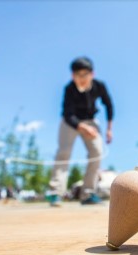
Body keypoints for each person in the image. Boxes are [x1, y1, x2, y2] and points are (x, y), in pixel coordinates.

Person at [49, 57, 114, 206]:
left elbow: (109, 105)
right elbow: (67, 114)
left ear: (92, 74)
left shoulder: (99, 86)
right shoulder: (69, 89)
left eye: (85, 74)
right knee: (63, 152)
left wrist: (109, 129)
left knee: (97, 152)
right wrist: (83, 127)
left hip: (91, 120)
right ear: (73, 76)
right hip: (71, 122)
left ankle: (88, 193)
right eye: (78, 75)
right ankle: (55, 193)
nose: (82, 78)